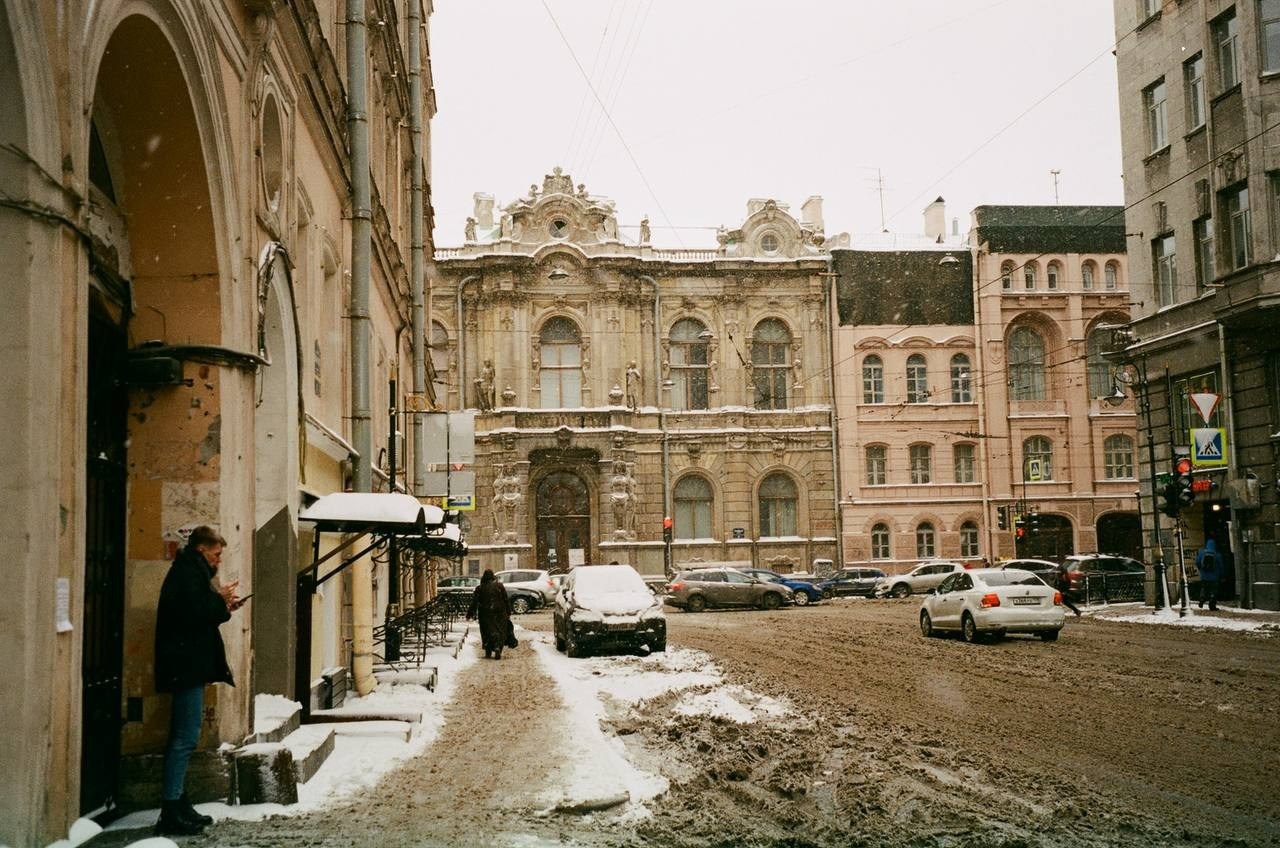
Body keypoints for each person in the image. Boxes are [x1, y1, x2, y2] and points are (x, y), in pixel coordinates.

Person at [154, 526, 243, 836]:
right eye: (217, 554)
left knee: (184, 736)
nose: (219, 560)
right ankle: (171, 807)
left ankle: (179, 802)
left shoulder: (191, 572)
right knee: (184, 738)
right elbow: (194, 614)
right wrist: (220, 601)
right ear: (203, 550)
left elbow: (199, 611)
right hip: (185, 668)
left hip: (187, 666)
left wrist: (221, 601)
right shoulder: (188, 574)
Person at [467, 569, 512, 659]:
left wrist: (470, 613)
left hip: (485, 613)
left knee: (486, 631)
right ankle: (497, 646)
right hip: (500, 612)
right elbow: (505, 600)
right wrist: (508, 611)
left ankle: (488, 649)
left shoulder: (480, 588)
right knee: (499, 630)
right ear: (493, 577)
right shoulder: (500, 586)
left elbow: (475, 602)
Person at [1196, 538, 1222, 611]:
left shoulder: (1202, 553)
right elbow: (1221, 566)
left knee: (1204, 588)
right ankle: (1212, 605)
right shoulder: (1217, 554)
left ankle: (1202, 599)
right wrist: (1222, 575)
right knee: (1213, 590)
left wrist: (1201, 569)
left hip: (1204, 576)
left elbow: (1197, 562)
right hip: (1214, 577)